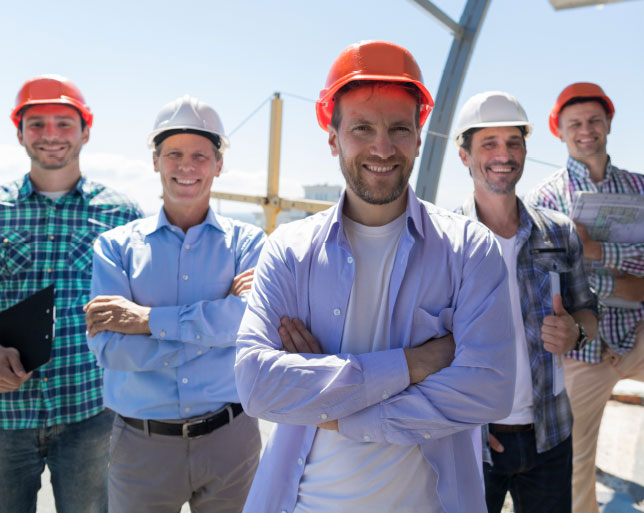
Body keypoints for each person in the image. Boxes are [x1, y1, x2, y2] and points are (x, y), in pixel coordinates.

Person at [234, 40, 516, 513]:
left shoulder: (469, 250)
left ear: (419, 139)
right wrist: (414, 364)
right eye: (362, 128)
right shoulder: (288, 251)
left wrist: (331, 407)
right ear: (333, 138)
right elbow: (257, 384)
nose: (382, 147)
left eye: (399, 129)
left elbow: (488, 390)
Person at [85, 94, 265, 513]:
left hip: (231, 441)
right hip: (141, 448)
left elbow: (251, 326)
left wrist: (149, 321)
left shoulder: (249, 243)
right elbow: (111, 350)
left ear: (219, 165)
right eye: (174, 154)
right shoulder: (115, 247)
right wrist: (218, 328)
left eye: (201, 155)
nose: (187, 167)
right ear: (155, 161)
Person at [0, 75, 142, 513]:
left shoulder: (122, 213)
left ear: (85, 130)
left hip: (91, 414)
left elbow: (147, 305)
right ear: (19, 132)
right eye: (37, 124)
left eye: (64, 123)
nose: (51, 136)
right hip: (5, 417)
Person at [453, 91, 598, 512]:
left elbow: (588, 308)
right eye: (489, 144)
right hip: (472, 441)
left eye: (513, 142)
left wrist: (576, 330)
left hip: (550, 436)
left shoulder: (558, 232)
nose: (504, 154)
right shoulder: (444, 241)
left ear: (526, 150)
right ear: (464, 155)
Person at [525, 82, 644, 513]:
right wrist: (624, 280)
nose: (586, 130)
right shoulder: (542, 200)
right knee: (573, 463)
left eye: (595, 120)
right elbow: (544, 282)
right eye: (575, 123)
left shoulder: (639, 186)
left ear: (609, 123)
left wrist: (593, 252)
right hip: (583, 352)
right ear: (559, 131)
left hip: (637, 332)